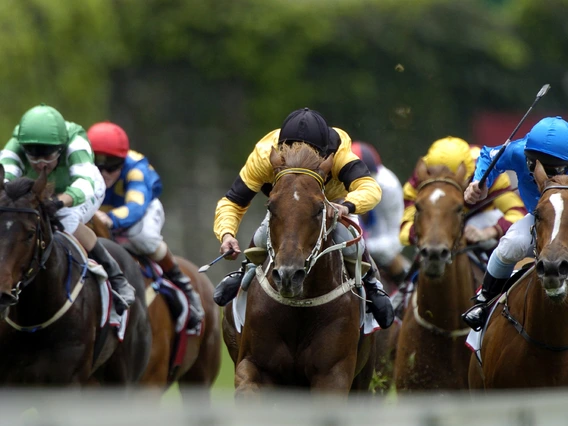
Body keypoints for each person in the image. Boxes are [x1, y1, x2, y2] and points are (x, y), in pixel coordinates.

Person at [213, 107, 395, 329]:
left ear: (325, 154)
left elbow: (369, 187)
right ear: (280, 150)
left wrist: (346, 206)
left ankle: (371, 282)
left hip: (331, 204)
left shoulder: (339, 154)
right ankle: (246, 269)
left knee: (351, 241)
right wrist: (227, 234)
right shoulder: (263, 155)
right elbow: (233, 201)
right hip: (288, 206)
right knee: (263, 235)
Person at [0, 105, 135, 313]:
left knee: (65, 218)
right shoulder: (16, 143)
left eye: (48, 155)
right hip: (40, 190)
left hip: (83, 187)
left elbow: (85, 183)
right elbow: (6, 181)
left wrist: (60, 202)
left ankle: (116, 276)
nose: (40, 163)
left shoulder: (75, 141)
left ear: (61, 147)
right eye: (33, 156)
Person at [86, 121, 204, 331]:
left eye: (111, 165)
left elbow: (136, 206)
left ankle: (183, 285)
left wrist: (110, 219)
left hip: (142, 210)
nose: (103, 172)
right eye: (97, 163)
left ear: (122, 161)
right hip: (102, 210)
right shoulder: (81, 167)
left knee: (143, 238)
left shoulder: (136, 168)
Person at [462, 116, 568, 330]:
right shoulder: (518, 151)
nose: (537, 172)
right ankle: (485, 301)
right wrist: (479, 181)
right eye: (532, 163)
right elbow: (488, 155)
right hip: (539, 219)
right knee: (511, 244)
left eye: (551, 169)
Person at [400, 136, 526, 251]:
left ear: (469, 175)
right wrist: (423, 231)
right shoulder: (421, 176)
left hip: (479, 222)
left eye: (454, 185)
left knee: (482, 226)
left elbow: (518, 214)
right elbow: (404, 228)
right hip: (437, 224)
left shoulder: (488, 174)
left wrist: (490, 231)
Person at [351, 141, 409, 286]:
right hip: (356, 246)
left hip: (378, 245)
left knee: (395, 262)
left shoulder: (388, 186)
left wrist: (365, 247)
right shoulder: (335, 185)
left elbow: (396, 240)